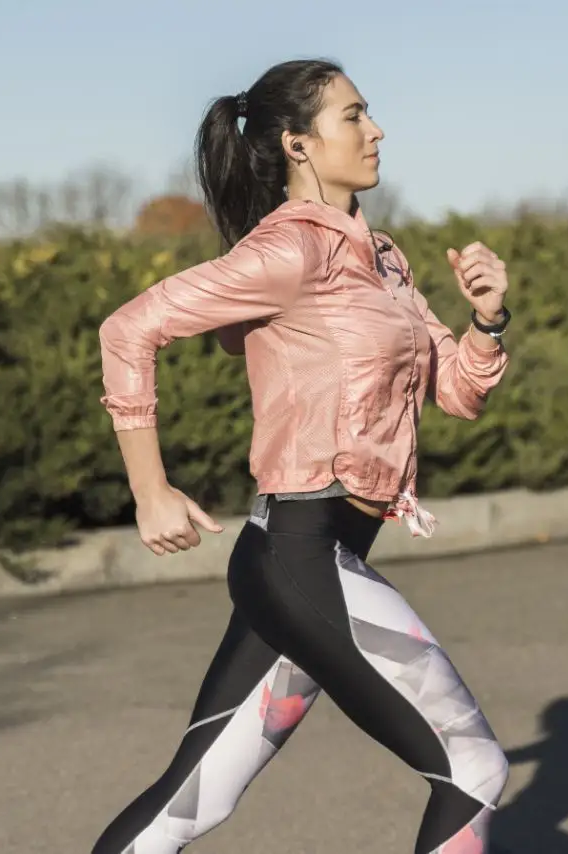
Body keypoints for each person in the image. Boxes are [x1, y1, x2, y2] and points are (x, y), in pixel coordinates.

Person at [91, 58, 514, 854]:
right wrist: (150, 489)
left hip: (314, 565)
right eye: (352, 116)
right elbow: (129, 329)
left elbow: (455, 391)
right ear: (297, 144)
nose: (376, 129)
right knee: (473, 768)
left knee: (193, 802)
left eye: (369, 112)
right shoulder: (287, 254)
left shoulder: (382, 261)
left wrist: (488, 321)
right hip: (299, 555)